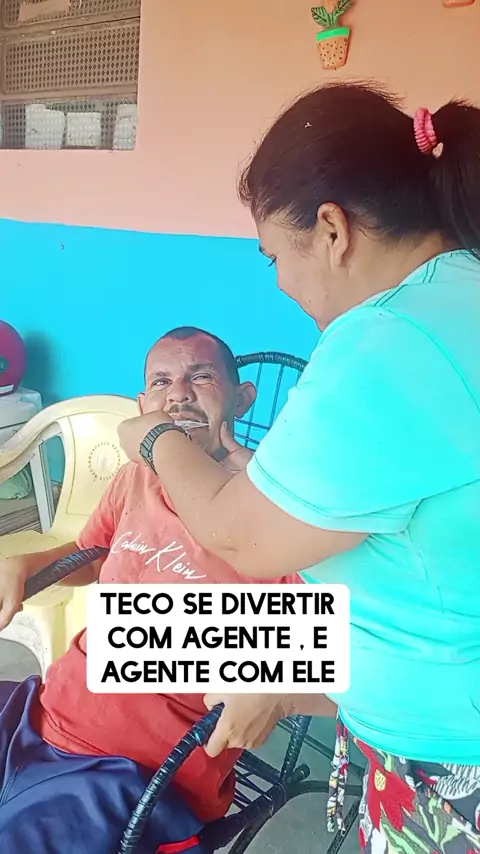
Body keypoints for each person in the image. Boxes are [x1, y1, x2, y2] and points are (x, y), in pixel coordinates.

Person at [118, 85, 480, 854]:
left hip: (446, 748)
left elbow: (243, 538)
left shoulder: (390, 344)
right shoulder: (455, 298)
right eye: (160, 383)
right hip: (403, 678)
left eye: (275, 256)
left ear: (332, 230)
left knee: (135, 646)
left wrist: (152, 440)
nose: (177, 395)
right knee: (117, 642)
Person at [0, 325, 301, 852]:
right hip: (45, 711)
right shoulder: (136, 478)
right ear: (144, 407)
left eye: (201, 377)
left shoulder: (278, 511)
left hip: (137, 771)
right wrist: (26, 562)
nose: (178, 394)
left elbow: (321, 648)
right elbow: (93, 554)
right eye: (161, 382)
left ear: (242, 398)